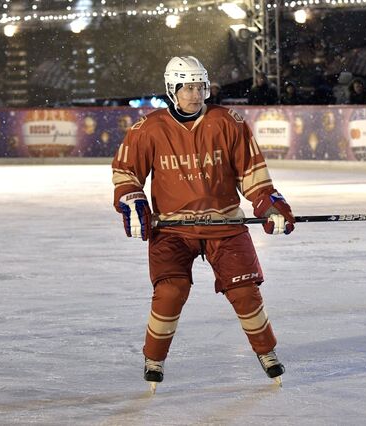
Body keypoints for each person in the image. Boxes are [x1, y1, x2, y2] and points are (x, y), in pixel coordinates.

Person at [111, 56, 295, 390]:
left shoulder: (228, 121)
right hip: (172, 228)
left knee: (245, 292)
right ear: (172, 90)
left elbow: (252, 174)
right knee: (170, 291)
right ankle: (154, 358)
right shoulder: (148, 128)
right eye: (187, 88)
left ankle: (266, 352)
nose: (195, 95)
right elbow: (126, 175)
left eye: (200, 87)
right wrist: (132, 200)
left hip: (224, 224)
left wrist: (268, 204)